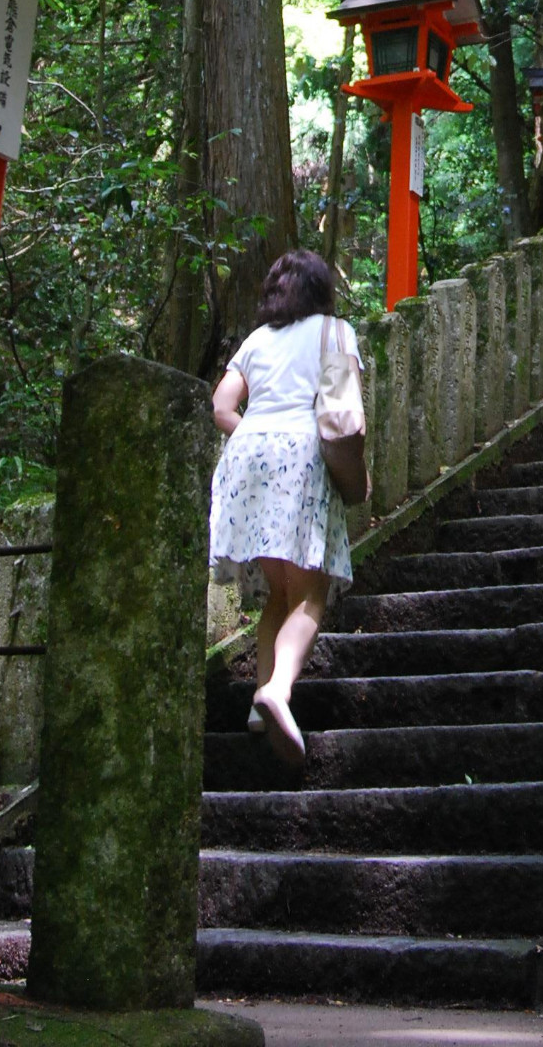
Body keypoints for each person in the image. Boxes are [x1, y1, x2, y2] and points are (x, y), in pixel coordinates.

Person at [209, 247, 355, 766]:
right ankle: (278, 691)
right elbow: (340, 411)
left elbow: (221, 406)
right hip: (301, 457)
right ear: (321, 290)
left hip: (245, 460)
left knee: (278, 590)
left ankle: (256, 704)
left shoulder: (254, 341)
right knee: (311, 593)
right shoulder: (334, 333)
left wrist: (258, 434)